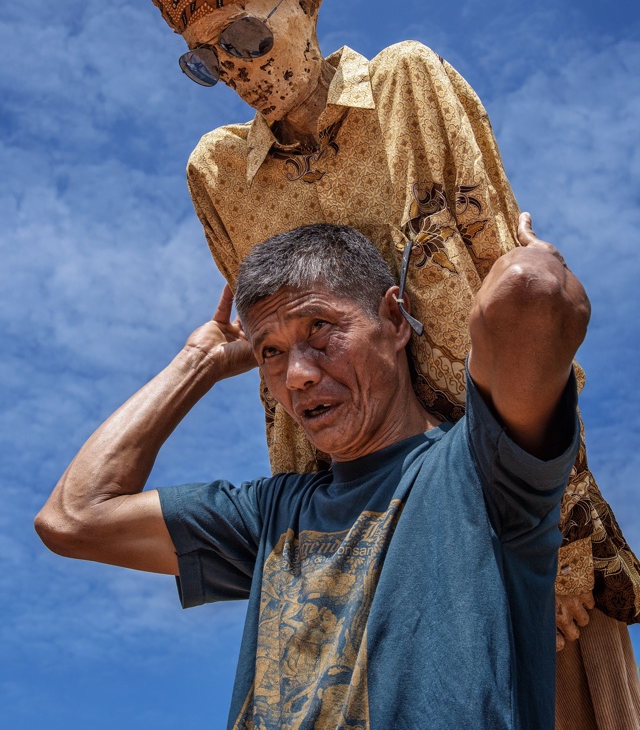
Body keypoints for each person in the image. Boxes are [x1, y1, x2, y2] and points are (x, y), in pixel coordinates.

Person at [141, 0, 640, 725]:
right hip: (357, 538)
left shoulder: (408, 86)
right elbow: (282, 379)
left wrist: (560, 546)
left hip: (505, 496)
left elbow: (516, 312)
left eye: (248, 36)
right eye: (204, 59)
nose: (235, 71)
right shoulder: (219, 177)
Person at [36, 219, 588, 729]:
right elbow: (73, 517)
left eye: (319, 327)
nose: (297, 374)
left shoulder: (482, 468)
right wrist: (199, 363)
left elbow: (532, 291)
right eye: (270, 352)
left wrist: (536, 260)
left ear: (395, 320)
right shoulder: (272, 516)